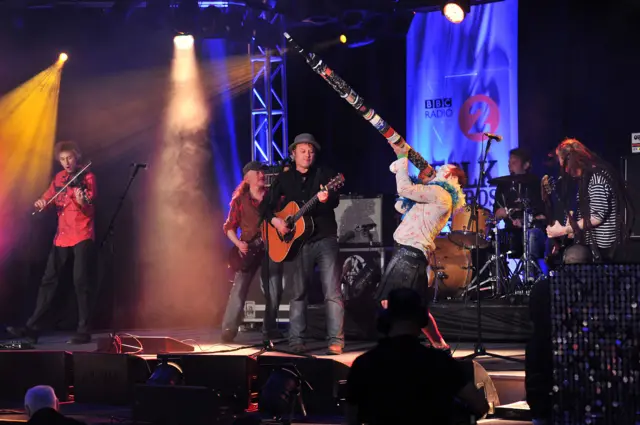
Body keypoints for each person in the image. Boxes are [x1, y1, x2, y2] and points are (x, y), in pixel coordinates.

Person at [345, 288, 489, 425]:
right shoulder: (440, 363)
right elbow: (480, 406)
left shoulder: (364, 364)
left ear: (385, 320)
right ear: (421, 319)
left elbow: (351, 416)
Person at [375, 142, 467, 352]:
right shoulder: (436, 193)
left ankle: (400, 346)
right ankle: (439, 345)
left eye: (445, 169)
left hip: (410, 251)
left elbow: (404, 188)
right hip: (409, 250)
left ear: (452, 178)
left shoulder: (441, 194)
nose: (440, 170)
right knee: (415, 309)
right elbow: (402, 203)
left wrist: (401, 159)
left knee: (392, 303)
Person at [260, 133, 344, 355]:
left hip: (325, 238)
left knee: (332, 292)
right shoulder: (285, 179)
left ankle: (336, 340)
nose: (307, 155)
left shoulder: (325, 175)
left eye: (311, 151)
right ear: (293, 153)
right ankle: (296, 340)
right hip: (298, 243)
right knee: (297, 293)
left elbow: (335, 199)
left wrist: (328, 199)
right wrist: (277, 222)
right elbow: (266, 207)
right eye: (303, 151)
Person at [7, 142, 96, 345]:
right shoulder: (59, 179)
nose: (66, 162)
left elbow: (88, 206)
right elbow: (48, 197)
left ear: (76, 157)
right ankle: (32, 329)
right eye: (62, 159)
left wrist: (81, 199)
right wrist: (41, 202)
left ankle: (84, 329)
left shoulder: (88, 177)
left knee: (81, 282)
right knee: (49, 282)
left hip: (82, 234)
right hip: (62, 236)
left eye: (70, 158)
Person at [221, 161, 283, 343]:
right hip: (248, 250)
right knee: (239, 289)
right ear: (247, 178)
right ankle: (228, 328)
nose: (262, 174)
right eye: (257, 172)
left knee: (274, 288)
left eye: (262, 171)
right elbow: (229, 227)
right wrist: (239, 244)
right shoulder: (239, 201)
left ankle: (270, 329)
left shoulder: (273, 197)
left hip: (270, 247)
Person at [546, 138, 634, 262]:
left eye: (565, 166)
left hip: (604, 249)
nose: (565, 170)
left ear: (572, 161)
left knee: (573, 259)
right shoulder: (587, 179)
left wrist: (563, 230)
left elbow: (596, 217)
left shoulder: (596, 178)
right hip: (594, 246)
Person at [493, 148, 548, 274]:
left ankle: (531, 280)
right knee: (494, 239)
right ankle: (503, 284)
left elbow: (545, 215)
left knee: (532, 235)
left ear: (526, 164)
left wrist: (525, 222)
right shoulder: (503, 186)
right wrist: (504, 213)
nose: (509, 165)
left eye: (514, 162)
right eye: (509, 162)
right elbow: (497, 213)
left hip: (534, 230)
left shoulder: (536, 184)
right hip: (512, 232)